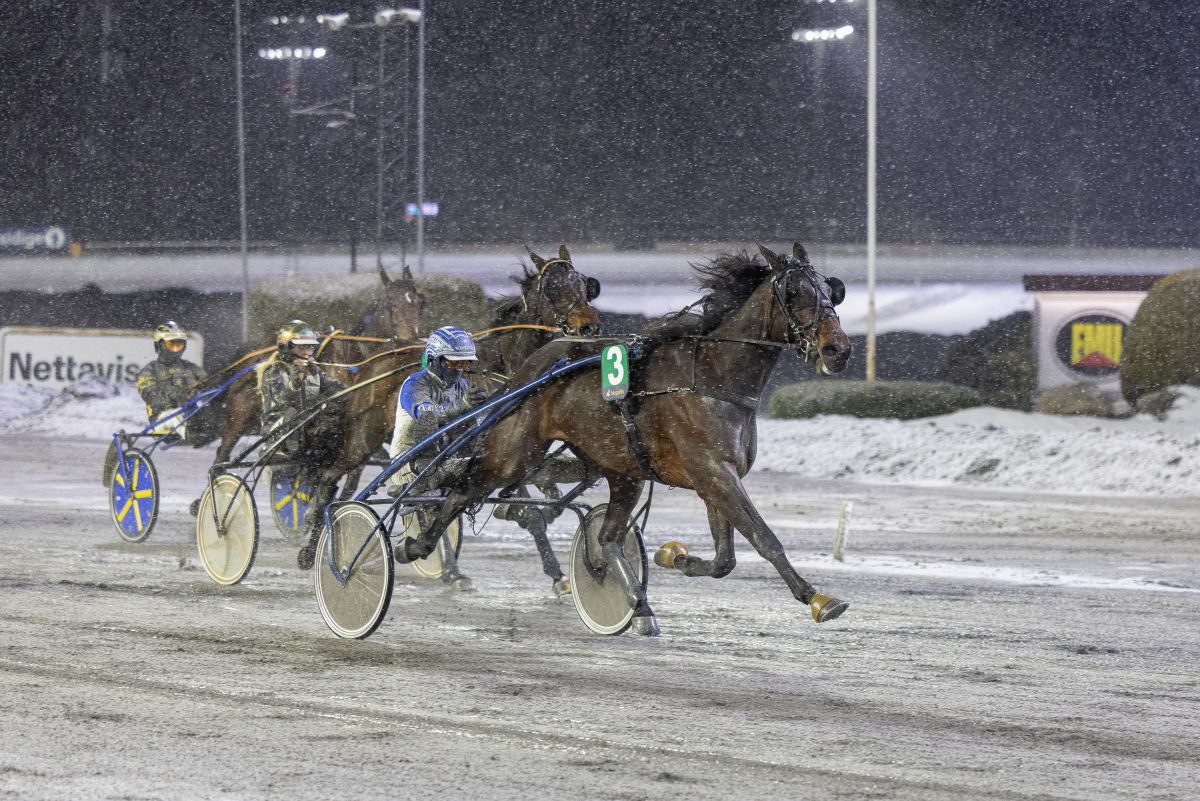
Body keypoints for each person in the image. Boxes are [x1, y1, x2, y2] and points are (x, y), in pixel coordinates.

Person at [388, 326, 489, 492]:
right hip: (408, 464)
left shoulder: (465, 386)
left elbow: (484, 422)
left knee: (485, 464)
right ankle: (417, 487)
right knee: (428, 420)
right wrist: (462, 406)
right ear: (435, 360)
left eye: (464, 363)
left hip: (445, 459)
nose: (460, 369)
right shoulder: (415, 384)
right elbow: (427, 415)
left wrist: (486, 409)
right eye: (454, 362)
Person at [260, 320, 347, 475]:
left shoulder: (315, 371)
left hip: (304, 424)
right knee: (295, 412)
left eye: (310, 347)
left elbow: (339, 390)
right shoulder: (274, 371)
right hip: (278, 428)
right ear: (286, 347)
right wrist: (296, 379)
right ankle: (290, 450)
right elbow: (284, 400)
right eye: (302, 347)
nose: (307, 352)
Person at [135, 321, 206, 439]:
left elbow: (210, 382)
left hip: (190, 418)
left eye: (179, 346)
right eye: (171, 345)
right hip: (163, 422)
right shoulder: (149, 370)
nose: (176, 350)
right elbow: (152, 398)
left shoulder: (190, 367)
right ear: (159, 346)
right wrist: (175, 394)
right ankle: (190, 432)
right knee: (175, 416)